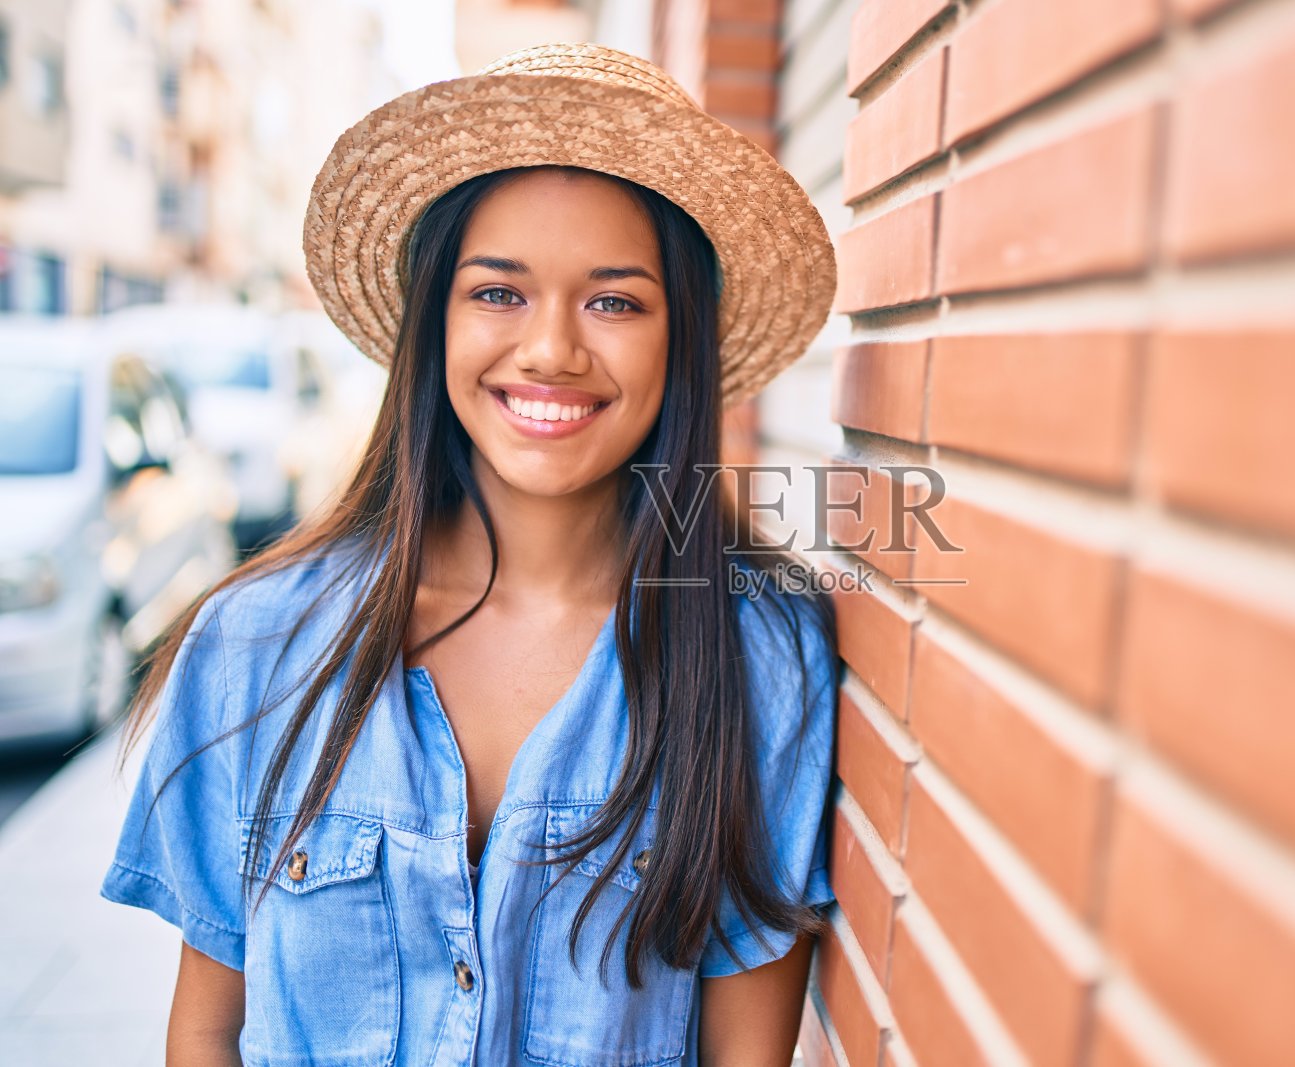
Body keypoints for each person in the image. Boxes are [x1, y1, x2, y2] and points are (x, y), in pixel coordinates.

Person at [100, 43, 841, 1066]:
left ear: (680, 344)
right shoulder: (257, 640)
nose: (550, 349)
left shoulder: (758, 656)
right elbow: (207, 1029)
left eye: (615, 300)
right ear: (433, 321)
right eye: (497, 291)